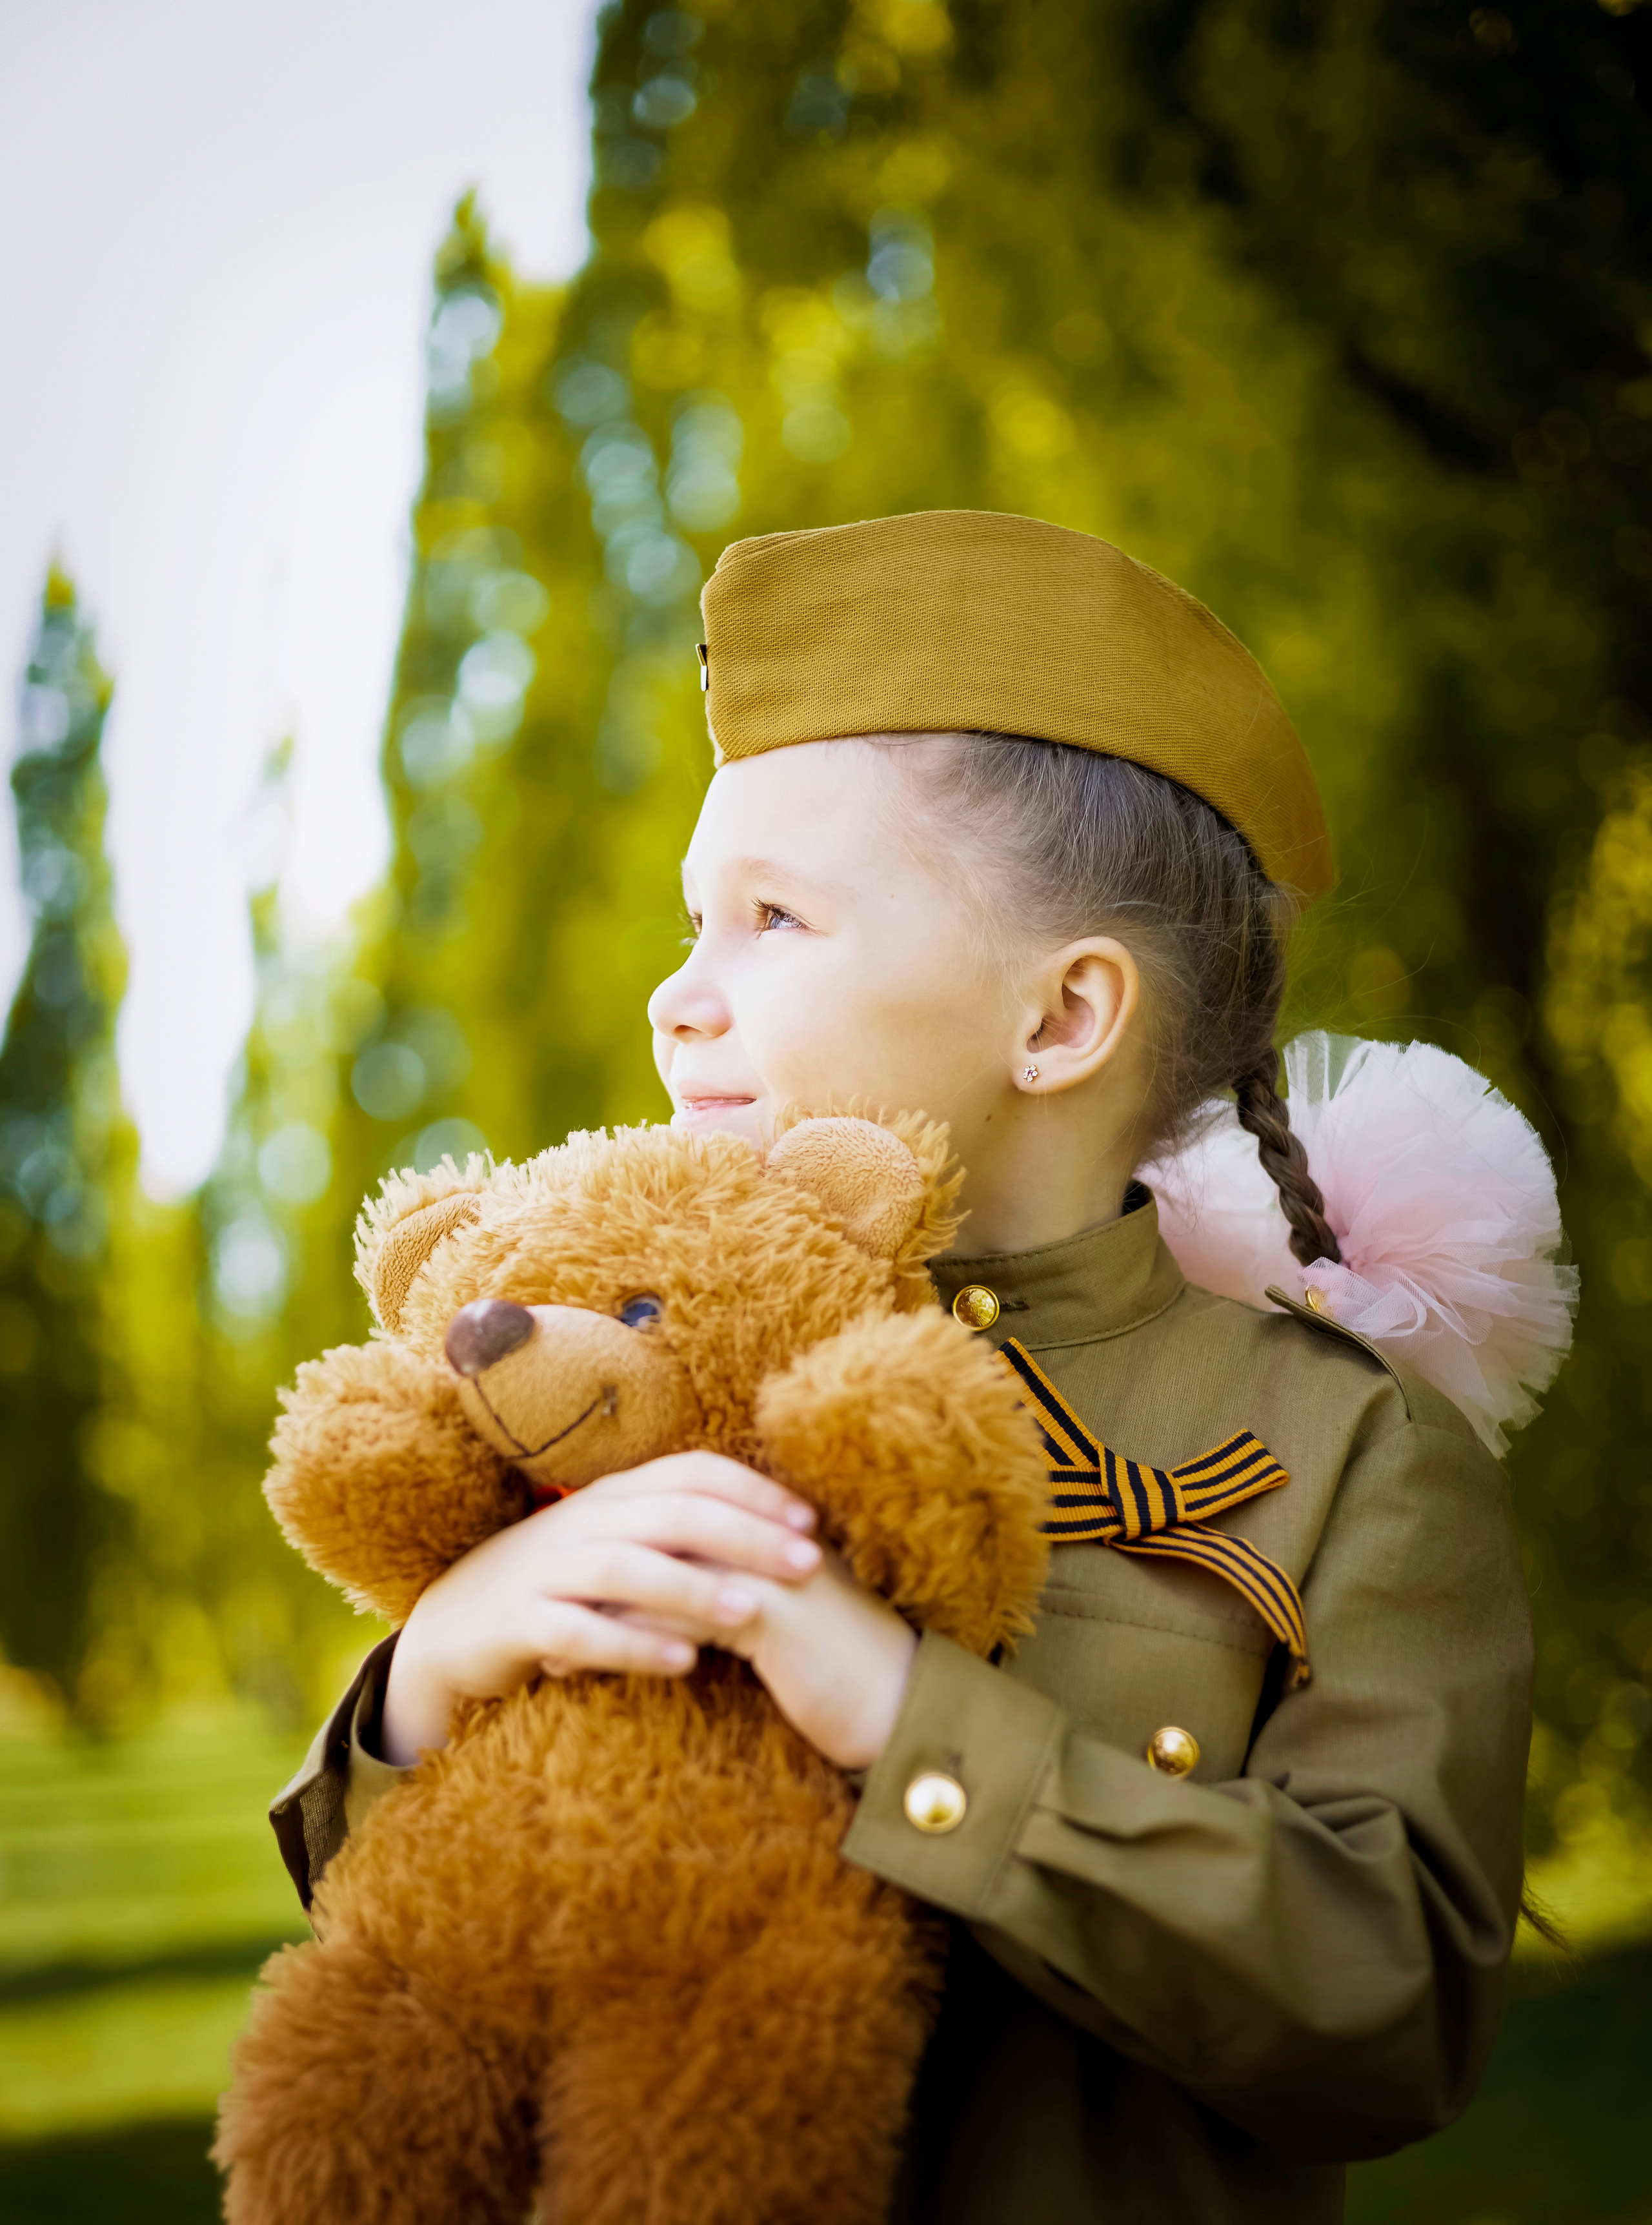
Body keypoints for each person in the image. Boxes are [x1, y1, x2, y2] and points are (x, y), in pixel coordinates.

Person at [274, 511, 1542, 2224]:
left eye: (773, 919)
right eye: (690, 919)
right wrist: (434, 1673)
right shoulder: (629, 1355)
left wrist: (895, 1713)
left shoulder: (1341, 1448)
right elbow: (415, 1903)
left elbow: (1392, 2010)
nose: (677, 997)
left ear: (1061, 1020)